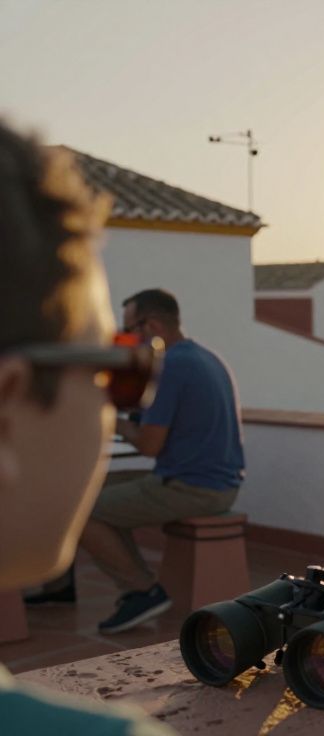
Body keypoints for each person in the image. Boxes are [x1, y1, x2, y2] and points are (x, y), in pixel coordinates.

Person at [0, 121, 174, 733]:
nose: (117, 402)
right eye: (121, 369)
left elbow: (149, 441)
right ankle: (142, 590)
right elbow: (150, 440)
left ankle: (140, 590)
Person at [28, 288, 246, 635]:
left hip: (193, 487)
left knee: (80, 508)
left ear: (153, 325)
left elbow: (148, 446)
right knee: (87, 484)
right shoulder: (203, 357)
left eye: (130, 329)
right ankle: (61, 587)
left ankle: (142, 591)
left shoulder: (171, 366)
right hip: (216, 481)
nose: (126, 339)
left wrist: (111, 420)